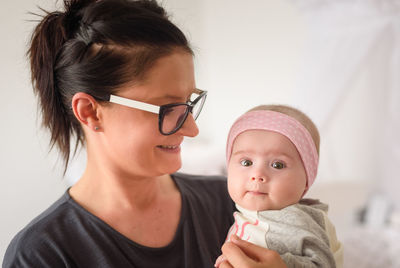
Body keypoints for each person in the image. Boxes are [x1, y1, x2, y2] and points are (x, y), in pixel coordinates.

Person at [3, 0, 289, 267]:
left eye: (189, 103)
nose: (191, 129)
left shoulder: (231, 203)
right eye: (168, 108)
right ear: (90, 111)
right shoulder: (42, 254)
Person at [215, 105, 343, 268]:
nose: (257, 174)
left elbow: (323, 263)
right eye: (246, 162)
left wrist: (284, 264)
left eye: (277, 165)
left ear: (306, 180)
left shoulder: (295, 221)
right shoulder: (247, 214)